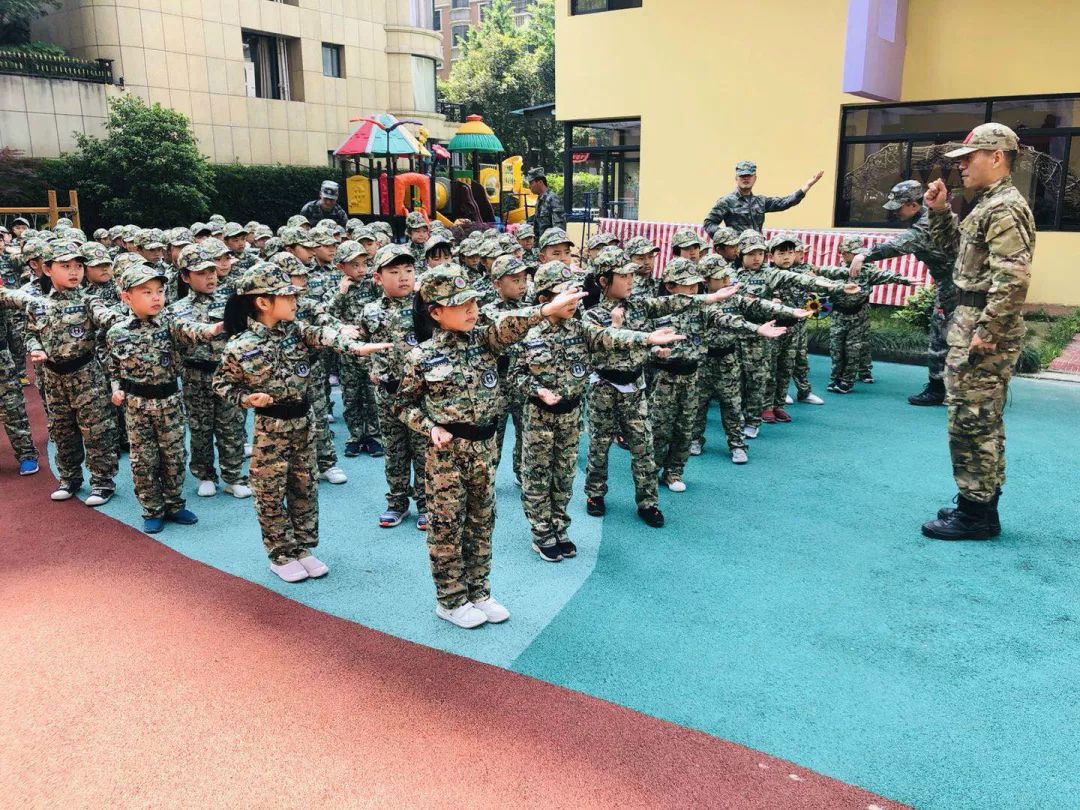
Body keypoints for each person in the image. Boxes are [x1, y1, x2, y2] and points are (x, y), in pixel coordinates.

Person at [395, 264, 586, 628]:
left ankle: (479, 591)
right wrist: (430, 426)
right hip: (448, 455)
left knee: (482, 523)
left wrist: (544, 310)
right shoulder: (421, 357)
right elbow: (402, 406)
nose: (471, 309)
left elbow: (510, 326)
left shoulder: (485, 341)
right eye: (459, 304)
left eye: (473, 301)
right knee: (448, 527)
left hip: (485, 449)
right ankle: (451, 600)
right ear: (436, 312)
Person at [213, 262, 389, 582]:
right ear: (263, 302)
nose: (295, 300)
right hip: (271, 429)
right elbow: (222, 385)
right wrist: (246, 399)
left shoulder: (297, 332)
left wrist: (356, 346)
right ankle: (280, 554)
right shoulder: (241, 345)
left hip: (304, 424)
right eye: (287, 295)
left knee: (304, 488)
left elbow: (325, 334)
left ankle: (303, 548)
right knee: (269, 491)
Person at [520, 261, 685, 561]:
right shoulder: (528, 331)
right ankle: (541, 533)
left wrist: (646, 338)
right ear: (545, 298)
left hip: (571, 415)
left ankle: (559, 527)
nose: (573, 301)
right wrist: (537, 390)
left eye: (575, 295)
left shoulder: (580, 327)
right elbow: (514, 375)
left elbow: (611, 337)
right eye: (564, 296)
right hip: (540, 417)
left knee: (564, 477)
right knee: (538, 476)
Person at [918, 123, 1034, 541]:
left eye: (969, 158)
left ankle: (976, 516)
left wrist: (987, 330)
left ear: (998, 157)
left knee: (972, 422)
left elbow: (1012, 279)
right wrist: (940, 212)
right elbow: (957, 258)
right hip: (970, 322)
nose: (962, 167)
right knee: (976, 420)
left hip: (981, 328)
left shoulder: (1003, 208)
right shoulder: (987, 204)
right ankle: (977, 502)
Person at [0, 240, 125, 505]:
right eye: (65, 266)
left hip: (86, 375)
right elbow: (31, 334)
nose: (74, 272)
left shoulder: (89, 301)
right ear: (47, 270)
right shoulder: (38, 304)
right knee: (62, 431)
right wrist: (37, 349)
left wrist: (128, 317)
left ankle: (102, 482)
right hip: (53, 378)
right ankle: (69, 478)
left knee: (97, 431)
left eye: (78, 266)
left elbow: (109, 317)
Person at [106, 262, 223, 533]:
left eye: (160, 290)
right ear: (126, 297)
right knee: (143, 460)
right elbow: (113, 365)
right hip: (136, 406)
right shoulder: (117, 332)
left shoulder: (170, 323)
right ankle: (152, 509)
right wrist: (116, 388)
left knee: (173, 456)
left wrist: (213, 329)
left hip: (169, 401)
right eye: (146, 292)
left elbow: (191, 328)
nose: (156, 297)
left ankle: (174, 504)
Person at [849, 179, 958, 405]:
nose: (895, 212)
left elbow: (899, 244)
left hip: (954, 286)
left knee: (942, 336)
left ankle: (939, 389)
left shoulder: (925, 225)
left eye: (899, 207)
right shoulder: (927, 216)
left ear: (913, 204)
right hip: (951, 282)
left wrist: (864, 255)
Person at [167, 243, 252, 500]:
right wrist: (212, 330)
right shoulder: (177, 308)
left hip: (228, 373)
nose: (210, 276)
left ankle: (234, 475)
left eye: (212, 271)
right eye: (202, 273)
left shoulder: (232, 301)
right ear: (185, 277)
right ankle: (205, 474)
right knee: (201, 427)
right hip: (196, 375)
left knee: (232, 426)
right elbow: (183, 329)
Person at [813, 236, 915, 394]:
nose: (854, 257)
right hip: (839, 315)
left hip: (859, 315)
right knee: (836, 348)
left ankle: (848, 381)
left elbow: (885, 275)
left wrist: (904, 280)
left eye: (857, 254)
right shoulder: (835, 271)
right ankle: (835, 379)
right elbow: (820, 282)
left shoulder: (867, 270)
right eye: (851, 254)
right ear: (844, 253)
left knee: (853, 349)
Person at [703, 160, 824, 236]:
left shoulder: (760, 201)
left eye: (749, 175)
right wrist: (726, 236)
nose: (746, 178)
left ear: (755, 178)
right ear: (736, 179)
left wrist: (807, 186)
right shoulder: (726, 201)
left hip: (757, 253)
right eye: (742, 176)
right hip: (736, 253)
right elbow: (709, 223)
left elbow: (784, 202)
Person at [527, 168, 567, 235]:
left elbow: (559, 229)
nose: (529, 186)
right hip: (542, 244)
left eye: (531, 183)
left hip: (551, 244)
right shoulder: (540, 200)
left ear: (540, 182)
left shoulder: (553, 199)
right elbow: (537, 228)